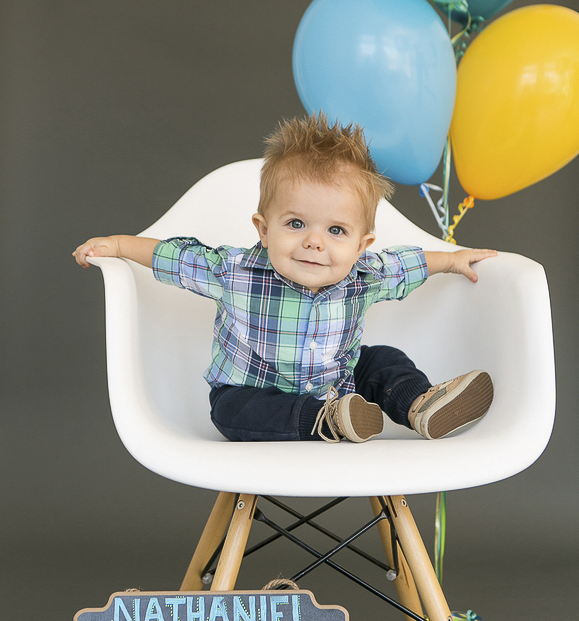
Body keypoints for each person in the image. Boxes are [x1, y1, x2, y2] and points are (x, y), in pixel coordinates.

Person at [74, 113, 496, 444]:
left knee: (382, 358)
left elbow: (411, 264)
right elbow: (173, 256)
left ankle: (420, 405)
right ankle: (326, 422)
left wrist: (453, 259)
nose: (314, 242)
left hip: (339, 384)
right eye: (295, 223)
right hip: (252, 391)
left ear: (362, 244)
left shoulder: (366, 275)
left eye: (336, 231)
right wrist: (117, 244)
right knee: (231, 411)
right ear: (263, 228)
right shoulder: (234, 271)